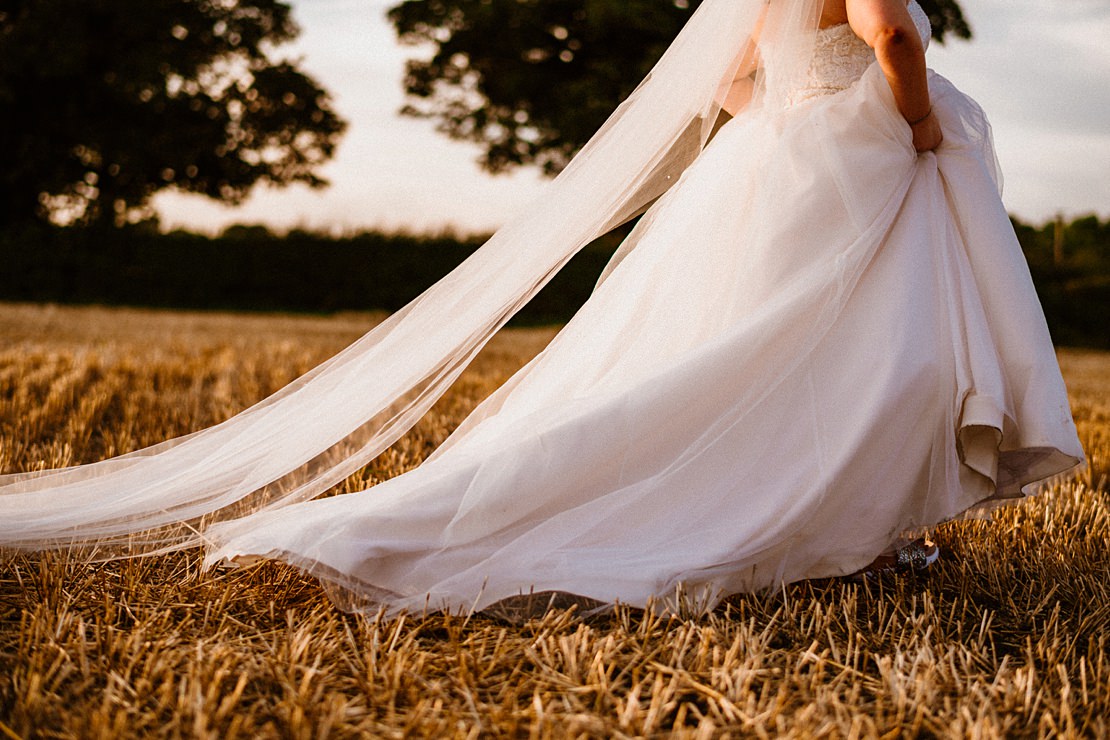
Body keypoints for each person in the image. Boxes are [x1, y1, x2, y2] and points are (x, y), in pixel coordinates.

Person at [0, 0, 1085, 617]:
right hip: (856, 165)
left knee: (749, 358)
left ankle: (847, 531)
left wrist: (790, 123)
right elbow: (890, 34)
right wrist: (916, 129)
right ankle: (826, 524)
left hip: (779, 166)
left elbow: (728, 86)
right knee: (857, 361)